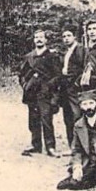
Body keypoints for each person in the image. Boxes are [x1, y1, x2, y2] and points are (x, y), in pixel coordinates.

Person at [19, 28, 61, 157]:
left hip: (45, 93)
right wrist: (26, 85)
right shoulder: (29, 56)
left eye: (41, 37)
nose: (38, 39)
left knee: (46, 119)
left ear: (46, 40)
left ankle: (50, 147)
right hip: (32, 93)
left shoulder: (52, 56)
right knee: (33, 119)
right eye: (36, 37)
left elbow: (58, 76)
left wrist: (48, 86)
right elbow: (21, 74)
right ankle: (35, 144)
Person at [59, 25, 86, 146]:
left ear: (74, 37)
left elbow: (84, 69)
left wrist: (76, 83)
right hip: (65, 89)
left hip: (75, 89)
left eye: (69, 35)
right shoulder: (66, 51)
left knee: (77, 117)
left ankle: (79, 146)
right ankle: (72, 146)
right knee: (67, 118)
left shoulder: (80, 49)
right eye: (64, 36)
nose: (66, 38)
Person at [80, 18, 96, 92]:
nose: (91, 32)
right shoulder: (88, 46)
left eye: (94, 28)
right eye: (89, 29)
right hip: (89, 83)